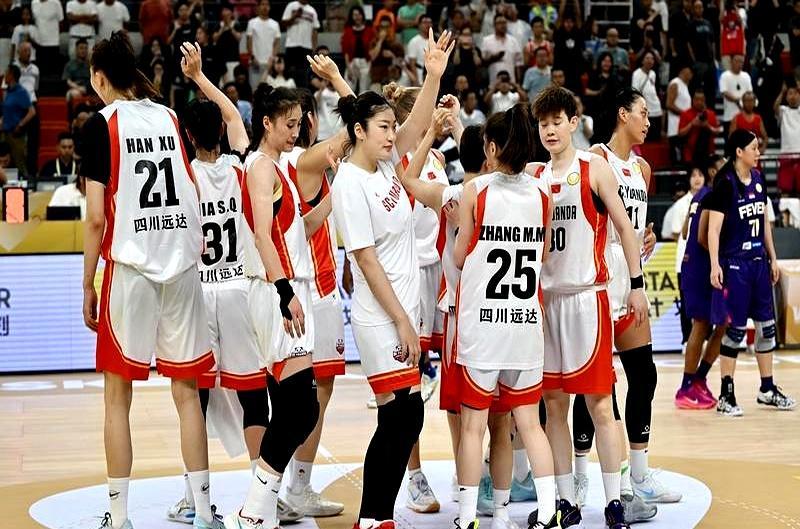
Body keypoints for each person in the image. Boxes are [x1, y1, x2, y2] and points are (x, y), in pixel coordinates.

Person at [81, 32, 222, 529]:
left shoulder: (101, 124)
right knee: (187, 394)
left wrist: (87, 283)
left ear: (100, 78)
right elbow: (191, 188)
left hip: (132, 271)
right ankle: (203, 511)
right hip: (180, 269)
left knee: (117, 399)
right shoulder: (169, 117)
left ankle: (119, 517)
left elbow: (95, 218)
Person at [331, 29, 453, 529]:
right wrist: (403, 320)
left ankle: (377, 516)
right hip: (381, 317)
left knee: (407, 416)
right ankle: (374, 516)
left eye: (391, 127)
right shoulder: (350, 183)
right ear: (359, 131)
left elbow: (418, 122)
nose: (391, 134)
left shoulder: (385, 165)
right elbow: (366, 261)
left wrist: (433, 75)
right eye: (382, 127)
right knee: (398, 417)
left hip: (403, 309)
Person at [161, 42, 285, 526]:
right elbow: (233, 114)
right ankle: (262, 496)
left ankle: (195, 502)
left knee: (194, 400)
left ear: (188, 135)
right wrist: (199, 77)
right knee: (254, 396)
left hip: (197, 292)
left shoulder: (182, 176)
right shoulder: (240, 167)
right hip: (238, 290)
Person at [532, 85, 648, 529]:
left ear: (573, 123)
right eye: (543, 124)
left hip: (587, 297)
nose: (549, 130)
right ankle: (566, 501)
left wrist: (636, 285)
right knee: (554, 407)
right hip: (548, 303)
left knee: (600, 405)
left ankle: (615, 500)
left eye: (557, 122)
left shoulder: (593, 167)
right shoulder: (536, 176)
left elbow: (626, 228)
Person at [223, 82, 328, 528]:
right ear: (266, 123)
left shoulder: (276, 166)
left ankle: (259, 509)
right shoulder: (262, 167)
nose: (295, 132)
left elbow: (298, 229)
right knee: (301, 410)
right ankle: (253, 508)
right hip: (273, 289)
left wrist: (335, 195)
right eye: (288, 124)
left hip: (281, 286)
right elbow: (264, 237)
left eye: (299, 123)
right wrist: (285, 294)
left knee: (291, 409)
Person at [572, 88, 678, 521]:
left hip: (629, 274)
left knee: (644, 374)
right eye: (643, 113)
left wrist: (644, 238)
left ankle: (640, 472)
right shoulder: (594, 158)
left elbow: (633, 226)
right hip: (598, 274)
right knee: (594, 383)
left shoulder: (642, 168)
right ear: (621, 114)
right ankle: (581, 474)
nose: (648, 121)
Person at [452, 103, 559, 529]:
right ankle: (548, 513)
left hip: (483, 326)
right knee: (529, 425)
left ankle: (466, 518)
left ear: (492, 148)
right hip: (525, 323)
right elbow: (544, 254)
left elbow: (459, 256)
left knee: (474, 427)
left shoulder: (475, 191)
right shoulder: (542, 194)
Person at [277, 55, 353, 519]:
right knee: (314, 393)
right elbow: (358, 127)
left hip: (299, 285)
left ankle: (282, 485)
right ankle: (294, 485)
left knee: (296, 393)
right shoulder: (303, 162)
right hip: (311, 289)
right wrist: (339, 81)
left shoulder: (275, 163)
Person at [383, 80, 452, 514]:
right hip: (409, 276)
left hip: (441, 274)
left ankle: (474, 470)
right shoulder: (392, 158)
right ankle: (414, 476)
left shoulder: (440, 158)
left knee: (457, 374)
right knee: (407, 384)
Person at [706, 130, 796, 416]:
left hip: (758, 264)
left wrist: (773, 258)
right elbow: (713, 230)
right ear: (739, 152)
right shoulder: (725, 184)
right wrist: (714, 264)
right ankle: (726, 394)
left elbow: (764, 222)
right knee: (734, 331)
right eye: (754, 148)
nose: (759, 152)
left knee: (767, 328)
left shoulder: (758, 180)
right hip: (735, 265)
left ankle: (767, 389)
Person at [676, 160, 725, 410]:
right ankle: (687, 386)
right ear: (714, 171)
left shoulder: (699, 196)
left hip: (694, 265)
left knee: (723, 323)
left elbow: (685, 231)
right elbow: (700, 236)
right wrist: (721, 257)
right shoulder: (713, 195)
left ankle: (699, 379)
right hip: (700, 267)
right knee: (701, 324)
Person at [1, 64, 35, 177]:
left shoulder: (21, 92)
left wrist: (20, 124)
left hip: (16, 135)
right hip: (4, 133)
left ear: (11, 75)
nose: (4, 76)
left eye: (6, 73)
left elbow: (32, 112)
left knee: (19, 161)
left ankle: (25, 182)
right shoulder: (8, 92)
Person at [280, 0, 319, 88]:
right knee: (290, 74)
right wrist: (294, 16)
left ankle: (302, 95)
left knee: (304, 75)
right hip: (292, 46)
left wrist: (314, 49)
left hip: (307, 47)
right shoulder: (291, 6)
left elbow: (315, 31)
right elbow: (283, 24)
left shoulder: (312, 10)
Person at [678, 89, 721, 165]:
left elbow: (717, 131)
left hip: (708, 153)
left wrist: (707, 125)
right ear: (693, 100)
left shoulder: (711, 114)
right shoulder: (685, 114)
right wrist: (691, 124)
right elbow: (680, 133)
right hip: (690, 154)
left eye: (701, 100)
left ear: (704, 101)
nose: (699, 102)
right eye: (696, 99)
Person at [246, 0, 281, 90]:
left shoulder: (275, 24)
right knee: (255, 89)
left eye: (267, 4)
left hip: (269, 64)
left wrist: (272, 58)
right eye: (263, 4)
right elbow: (249, 42)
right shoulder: (252, 23)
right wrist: (252, 57)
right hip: (255, 63)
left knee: (269, 91)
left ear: (270, 7)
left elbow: (277, 43)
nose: (265, 7)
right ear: (258, 7)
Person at [341, 6, 374, 94]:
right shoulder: (347, 31)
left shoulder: (370, 31)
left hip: (365, 63)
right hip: (352, 62)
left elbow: (372, 49)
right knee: (348, 91)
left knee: (364, 91)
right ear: (351, 17)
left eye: (359, 14)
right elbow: (346, 51)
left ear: (362, 15)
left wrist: (370, 65)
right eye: (355, 15)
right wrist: (348, 67)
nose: (357, 17)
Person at [482, 14, 524, 84]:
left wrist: (518, 82)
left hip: (511, 81)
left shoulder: (513, 41)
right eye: (500, 23)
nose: (503, 25)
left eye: (504, 22)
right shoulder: (486, 41)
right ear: (494, 25)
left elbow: (518, 63)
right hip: (493, 81)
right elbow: (483, 62)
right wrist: (493, 58)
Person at [775, 83, 800, 195]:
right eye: (790, 93)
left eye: (795, 93)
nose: (793, 96)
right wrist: (782, 91)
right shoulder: (783, 110)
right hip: (786, 155)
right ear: (786, 97)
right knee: (785, 190)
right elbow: (775, 107)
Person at [631, 51, 663, 140]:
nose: (650, 60)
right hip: (645, 109)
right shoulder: (636, 73)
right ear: (642, 61)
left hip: (656, 107)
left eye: (652, 59)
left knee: (656, 138)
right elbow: (635, 92)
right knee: (645, 138)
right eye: (647, 58)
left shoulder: (653, 73)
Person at [666, 63, 692, 164]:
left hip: (683, 127)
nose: (690, 75)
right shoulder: (675, 83)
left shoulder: (684, 85)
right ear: (682, 72)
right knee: (677, 160)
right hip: (675, 128)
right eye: (688, 72)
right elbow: (669, 104)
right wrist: (686, 115)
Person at [719, 55, 752, 134]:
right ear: (731, 62)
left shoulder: (746, 76)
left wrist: (744, 103)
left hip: (745, 117)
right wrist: (739, 101)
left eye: (741, 62)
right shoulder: (725, 76)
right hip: (730, 116)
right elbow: (724, 92)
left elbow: (750, 93)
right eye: (737, 61)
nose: (739, 64)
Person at [32, 0, 64, 76]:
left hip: (53, 42)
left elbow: (61, 22)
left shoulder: (56, 2)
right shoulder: (34, 3)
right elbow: (35, 21)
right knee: (41, 72)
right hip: (39, 43)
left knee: (53, 72)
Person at [64, 39, 92, 103]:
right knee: (72, 93)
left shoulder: (91, 64)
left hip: (90, 89)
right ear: (76, 50)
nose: (83, 50)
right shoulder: (70, 64)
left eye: (85, 48)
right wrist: (79, 88)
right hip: (75, 88)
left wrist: (86, 88)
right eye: (81, 48)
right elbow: (68, 81)